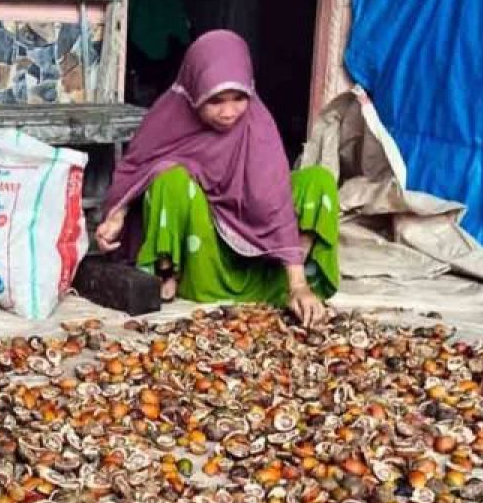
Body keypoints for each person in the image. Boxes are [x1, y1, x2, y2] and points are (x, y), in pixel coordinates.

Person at [95, 30, 338, 328]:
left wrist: (298, 284)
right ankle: (167, 272)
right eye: (215, 101)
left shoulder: (258, 127)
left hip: (264, 257)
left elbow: (272, 203)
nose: (228, 112)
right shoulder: (167, 119)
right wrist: (116, 215)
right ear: (193, 91)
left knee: (318, 180)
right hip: (203, 256)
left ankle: (290, 283)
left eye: (239, 98)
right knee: (169, 178)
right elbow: (137, 169)